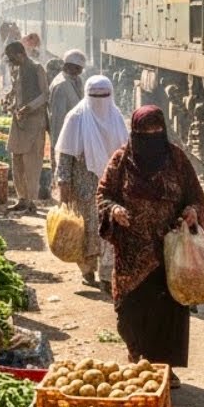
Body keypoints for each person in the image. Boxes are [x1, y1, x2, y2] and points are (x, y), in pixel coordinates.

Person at [97, 106, 204, 388]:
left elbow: (194, 195)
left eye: (157, 133)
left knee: (168, 312)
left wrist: (192, 211)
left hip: (170, 253)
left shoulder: (177, 159)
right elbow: (104, 194)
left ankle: (165, 368)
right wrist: (114, 210)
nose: (151, 138)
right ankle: (138, 360)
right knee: (131, 312)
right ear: (134, 133)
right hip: (132, 254)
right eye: (144, 134)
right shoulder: (121, 160)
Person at [55, 75, 128, 289]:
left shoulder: (115, 116)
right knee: (85, 228)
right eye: (95, 96)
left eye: (104, 96)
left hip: (110, 184)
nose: (100, 101)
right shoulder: (76, 117)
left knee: (107, 228)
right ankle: (87, 269)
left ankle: (106, 274)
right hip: (83, 181)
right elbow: (66, 155)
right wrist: (63, 182)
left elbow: (124, 152)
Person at [4, 40, 49, 213]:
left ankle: (31, 201)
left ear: (20, 54)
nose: (10, 61)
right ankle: (21, 198)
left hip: (34, 122)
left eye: (11, 57)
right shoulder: (16, 70)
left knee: (32, 162)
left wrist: (29, 107)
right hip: (18, 121)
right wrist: (9, 97)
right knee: (17, 161)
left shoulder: (37, 68)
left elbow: (45, 94)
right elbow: (16, 90)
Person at [48, 50, 87, 178]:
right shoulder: (62, 85)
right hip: (63, 135)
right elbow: (58, 118)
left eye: (80, 69)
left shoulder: (76, 80)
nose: (79, 72)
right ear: (67, 66)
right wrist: (59, 143)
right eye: (77, 68)